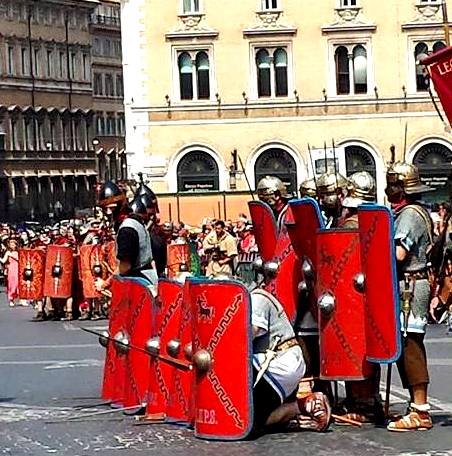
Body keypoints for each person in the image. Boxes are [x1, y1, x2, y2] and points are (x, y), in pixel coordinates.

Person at [385, 160, 434, 432]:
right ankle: (416, 407)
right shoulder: (408, 211)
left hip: (411, 286)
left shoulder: (410, 215)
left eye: (393, 184)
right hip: (407, 285)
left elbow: (398, 255)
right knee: (405, 345)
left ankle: (421, 410)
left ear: (402, 187)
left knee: (412, 346)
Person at [336, 171, 384, 424]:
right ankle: (369, 399)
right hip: (365, 294)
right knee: (363, 347)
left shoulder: (350, 226)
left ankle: (363, 403)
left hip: (353, 295)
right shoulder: (375, 221)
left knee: (354, 347)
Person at [250, 285, 331, 433]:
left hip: (280, 362)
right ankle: (304, 405)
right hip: (277, 363)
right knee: (255, 420)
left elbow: (244, 339)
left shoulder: (257, 299)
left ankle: (306, 404)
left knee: (245, 419)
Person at [1, 239, 19, 307]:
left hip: (18, 268)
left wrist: (13, 255)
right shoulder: (8, 252)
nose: (12, 246)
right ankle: (11, 299)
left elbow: (20, 259)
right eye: (11, 244)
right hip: (11, 269)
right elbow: (3, 261)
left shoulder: (18, 252)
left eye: (13, 244)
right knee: (12, 284)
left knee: (18, 284)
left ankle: (22, 299)